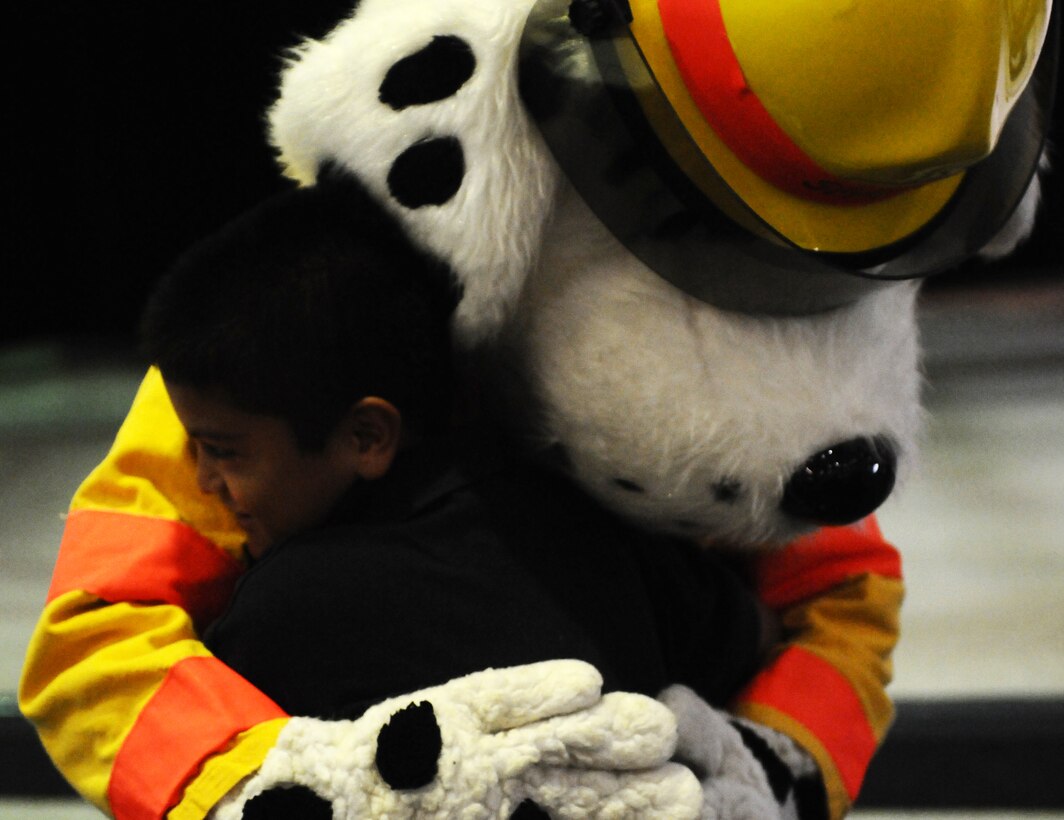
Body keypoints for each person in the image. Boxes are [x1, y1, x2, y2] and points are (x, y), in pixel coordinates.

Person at [20, 169, 902, 820]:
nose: (210, 478)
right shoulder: (263, 352)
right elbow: (100, 630)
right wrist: (265, 782)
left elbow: (838, 588)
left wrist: (771, 767)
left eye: (222, 454)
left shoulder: (275, 605)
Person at [137, 171, 769, 723]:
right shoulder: (607, 527)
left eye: (223, 450)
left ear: (366, 436)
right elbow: (748, 642)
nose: (203, 483)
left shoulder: (284, 614)